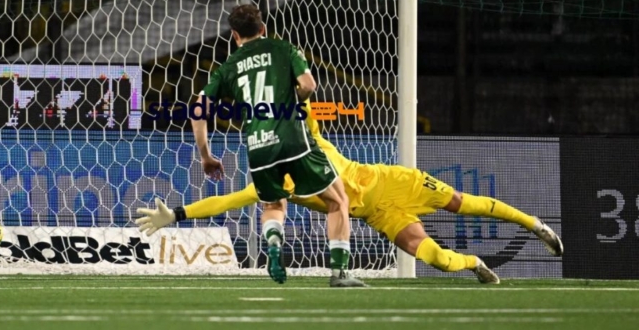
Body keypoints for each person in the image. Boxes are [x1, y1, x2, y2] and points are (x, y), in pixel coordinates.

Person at [137, 100, 564, 284]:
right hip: (379, 216)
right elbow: (226, 201)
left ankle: (534, 224)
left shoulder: (310, 135)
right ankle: (475, 264)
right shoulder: (275, 179)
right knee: (436, 258)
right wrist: (175, 215)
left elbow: (301, 94)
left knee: (463, 204)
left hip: (394, 181)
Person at [184, 4, 365, 287]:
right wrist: (295, 96)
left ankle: (273, 241)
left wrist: (206, 156)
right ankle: (340, 273)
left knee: (273, 203)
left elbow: (198, 110)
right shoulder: (285, 49)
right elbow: (309, 85)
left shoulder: (228, 67)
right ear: (263, 29)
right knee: (338, 200)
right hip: (293, 138)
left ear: (234, 35)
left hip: (258, 146)